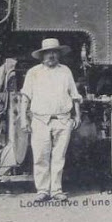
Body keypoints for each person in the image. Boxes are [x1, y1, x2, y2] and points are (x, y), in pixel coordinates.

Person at [20, 38, 82, 202]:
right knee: (40, 156)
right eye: (48, 52)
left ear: (59, 54)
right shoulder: (34, 72)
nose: (51, 55)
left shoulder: (65, 71)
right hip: (40, 120)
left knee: (58, 157)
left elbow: (74, 95)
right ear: (42, 55)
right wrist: (23, 119)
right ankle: (42, 190)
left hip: (62, 120)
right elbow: (25, 97)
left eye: (55, 52)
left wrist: (77, 116)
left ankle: (56, 190)